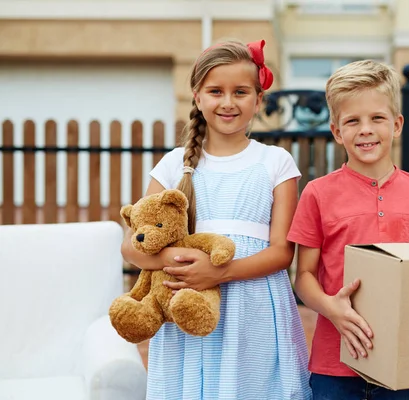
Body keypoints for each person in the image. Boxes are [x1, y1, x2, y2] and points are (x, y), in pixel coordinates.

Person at [121, 39, 311, 400]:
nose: (228, 102)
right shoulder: (173, 166)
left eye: (240, 92)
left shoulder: (276, 163)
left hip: (254, 306)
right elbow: (132, 245)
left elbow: (282, 252)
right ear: (197, 97)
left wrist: (219, 272)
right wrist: (174, 263)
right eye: (215, 91)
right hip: (184, 300)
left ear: (258, 99)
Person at [287, 59, 409, 400]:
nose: (365, 129)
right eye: (352, 121)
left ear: (397, 124)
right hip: (335, 364)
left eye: (377, 118)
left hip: (403, 363)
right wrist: (333, 308)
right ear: (336, 131)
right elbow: (303, 276)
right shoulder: (317, 193)